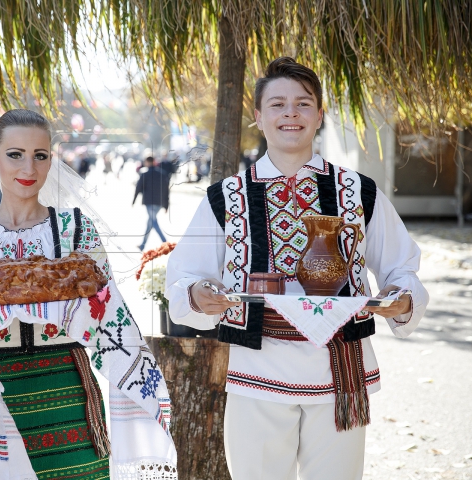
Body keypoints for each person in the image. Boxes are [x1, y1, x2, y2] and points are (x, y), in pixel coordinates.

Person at [165, 57, 429, 480]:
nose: (291, 113)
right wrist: (198, 295)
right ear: (258, 116)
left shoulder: (358, 191)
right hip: (256, 370)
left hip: (339, 371)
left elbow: (402, 269)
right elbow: (183, 277)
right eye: (277, 104)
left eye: (304, 103)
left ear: (320, 115)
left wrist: (402, 300)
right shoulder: (226, 197)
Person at [0, 109, 177, 479]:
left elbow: (107, 313)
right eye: (15, 154)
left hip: (67, 385)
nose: (28, 167)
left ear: (52, 159)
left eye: (40, 155)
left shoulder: (76, 228)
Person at [132, 156, 169, 251]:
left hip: (149, 202)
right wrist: (166, 205)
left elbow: (138, 188)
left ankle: (165, 242)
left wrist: (133, 201)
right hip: (159, 202)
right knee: (150, 223)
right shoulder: (162, 173)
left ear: (148, 162)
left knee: (153, 222)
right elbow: (166, 190)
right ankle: (143, 245)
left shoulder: (144, 173)